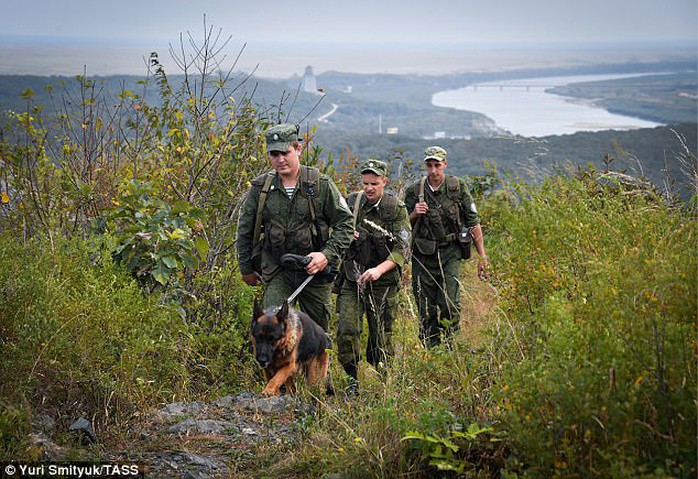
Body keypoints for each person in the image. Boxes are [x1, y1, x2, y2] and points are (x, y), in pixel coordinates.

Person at [236, 123, 353, 331]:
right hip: (278, 270)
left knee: (317, 336)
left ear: (298, 149)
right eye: (274, 154)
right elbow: (244, 229)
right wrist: (246, 268)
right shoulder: (261, 188)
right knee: (271, 327)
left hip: (314, 274)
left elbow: (345, 223)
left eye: (285, 152)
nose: (280, 160)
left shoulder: (320, 184)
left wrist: (326, 255)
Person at [335, 159, 410, 393]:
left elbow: (403, 247)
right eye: (365, 183)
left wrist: (379, 270)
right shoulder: (352, 203)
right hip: (353, 278)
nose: (369, 188)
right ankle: (352, 381)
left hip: (383, 283)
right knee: (347, 330)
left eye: (374, 183)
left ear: (384, 182)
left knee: (381, 336)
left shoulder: (395, 208)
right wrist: (348, 235)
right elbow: (336, 229)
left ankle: (384, 384)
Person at [403, 146, 490, 348]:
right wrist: (414, 214)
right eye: (429, 165)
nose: (433, 171)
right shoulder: (414, 192)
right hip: (422, 254)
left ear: (445, 165)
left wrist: (482, 256)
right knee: (425, 306)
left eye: (437, 165)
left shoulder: (457, 188)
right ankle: (430, 350)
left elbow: (473, 222)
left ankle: (452, 346)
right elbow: (400, 227)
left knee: (450, 303)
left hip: (450, 251)